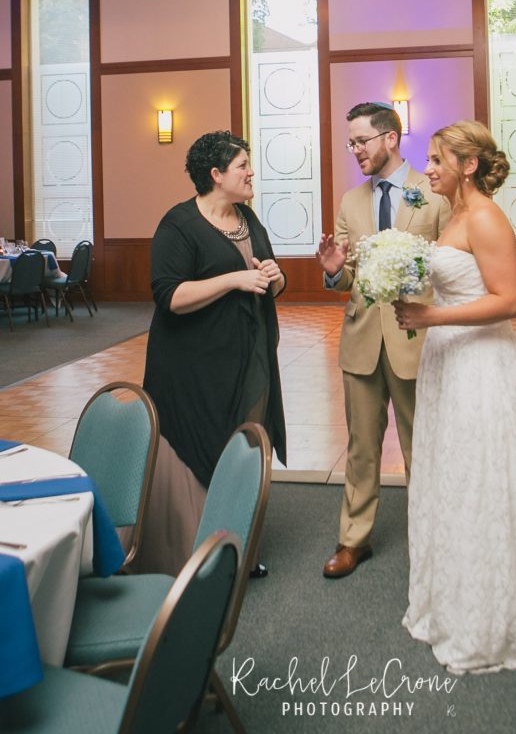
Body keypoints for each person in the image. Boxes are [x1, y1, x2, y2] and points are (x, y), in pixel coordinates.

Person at [393, 120, 516, 673]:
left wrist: (431, 316)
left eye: (437, 159)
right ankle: (456, 598)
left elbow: (509, 300)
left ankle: (501, 614)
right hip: (447, 362)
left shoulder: (485, 217)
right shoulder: (452, 215)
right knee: (454, 476)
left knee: (486, 476)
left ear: (468, 165)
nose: (427, 168)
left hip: (482, 365)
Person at [138, 130, 286, 575]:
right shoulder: (179, 224)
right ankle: (197, 556)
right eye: (243, 166)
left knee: (245, 444)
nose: (251, 172)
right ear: (216, 174)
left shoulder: (247, 218)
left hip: (250, 355)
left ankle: (240, 548)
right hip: (193, 365)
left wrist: (274, 277)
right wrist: (233, 280)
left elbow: (268, 280)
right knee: (203, 447)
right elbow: (170, 296)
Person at [316, 102, 450, 578]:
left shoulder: (433, 193)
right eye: (350, 143)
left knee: (422, 446)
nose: (354, 150)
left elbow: (450, 265)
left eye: (361, 141)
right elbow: (348, 277)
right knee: (361, 447)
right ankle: (353, 540)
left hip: (417, 339)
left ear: (391, 138)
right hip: (361, 340)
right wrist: (335, 271)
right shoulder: (351, 201)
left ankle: (434, 541)